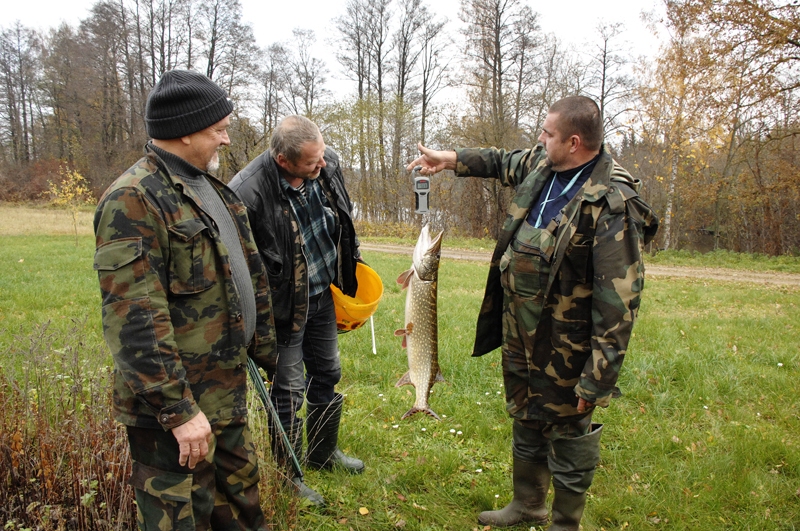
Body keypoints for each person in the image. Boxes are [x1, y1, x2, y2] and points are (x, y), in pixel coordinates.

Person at [407, 95, 659, 530]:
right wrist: (447, 159)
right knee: (525, 413)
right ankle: (528, 504)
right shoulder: (546, 165)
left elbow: (619, 302)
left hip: (567, 342)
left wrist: (598, 377)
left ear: (574, 141)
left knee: (568, 430)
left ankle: (565, 522)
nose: (539, 140)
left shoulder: (611, 201)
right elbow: (501, 161)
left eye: (547, 134)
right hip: (520, 329)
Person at [93, 69, 276, 530]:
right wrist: (177, 410)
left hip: (224, 392)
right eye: (219, 129)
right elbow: (135, 319)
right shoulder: (133, 199)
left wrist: (263, 350)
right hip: (177, 411)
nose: (227, 139)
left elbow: (240, 276)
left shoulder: (210, 189)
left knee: (240, 511)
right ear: (186, 131)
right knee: (182, 519)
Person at [229, 115, 364, 507]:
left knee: (327, 372)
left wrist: (350, 258)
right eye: (311, 163)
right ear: (283, 160)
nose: (321, 166)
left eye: (321, 157)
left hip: (322, 293)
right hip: (283, 308)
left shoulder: (328, 163)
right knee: (287, 392)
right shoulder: (247, 192)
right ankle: (289, 476)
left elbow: (341, 214)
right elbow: (239, 266)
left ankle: (324, 453)